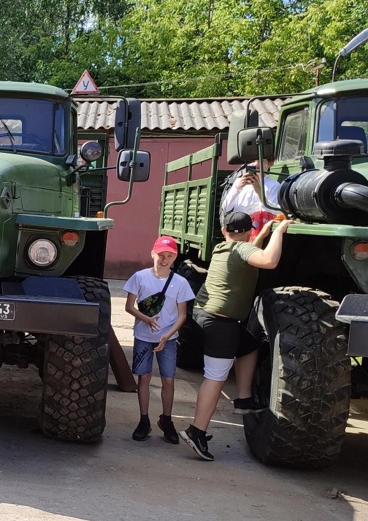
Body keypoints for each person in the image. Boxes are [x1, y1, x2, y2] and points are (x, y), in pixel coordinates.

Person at [182, 212, 291, 461]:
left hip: (207, 316)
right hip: (219, 323)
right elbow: (269, 260)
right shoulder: (242, 249)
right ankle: (196, 432)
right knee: (215, 377)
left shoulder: (223, 247)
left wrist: (262, 235)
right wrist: (278, 231)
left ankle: (244, 400)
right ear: (248, 231)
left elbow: (248, 250)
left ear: (224, 230)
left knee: (248, 347)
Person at [123, 236, 196, 443]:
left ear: (175, 258)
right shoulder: (140, 277)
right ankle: (144, 420)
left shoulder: (180, 282)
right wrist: (146, 319)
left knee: (168, 379)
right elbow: (129, 306)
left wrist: (168, 335)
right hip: (143, 336)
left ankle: (167, 419)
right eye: (161, 255)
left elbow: (182, 315)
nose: (164, 260)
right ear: (152, 254)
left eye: (169, 256)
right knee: (143, 378)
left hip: (169, 339)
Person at [220, 158, 281, 242]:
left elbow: (275, 212)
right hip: (238, 232)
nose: (255, 164)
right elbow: (226, 208)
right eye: (252, 161)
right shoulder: (239, 182)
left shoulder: (273, 185)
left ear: (270, 164)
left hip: (259, 233)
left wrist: (259, 191)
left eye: (261, 161)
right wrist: (237, 188)